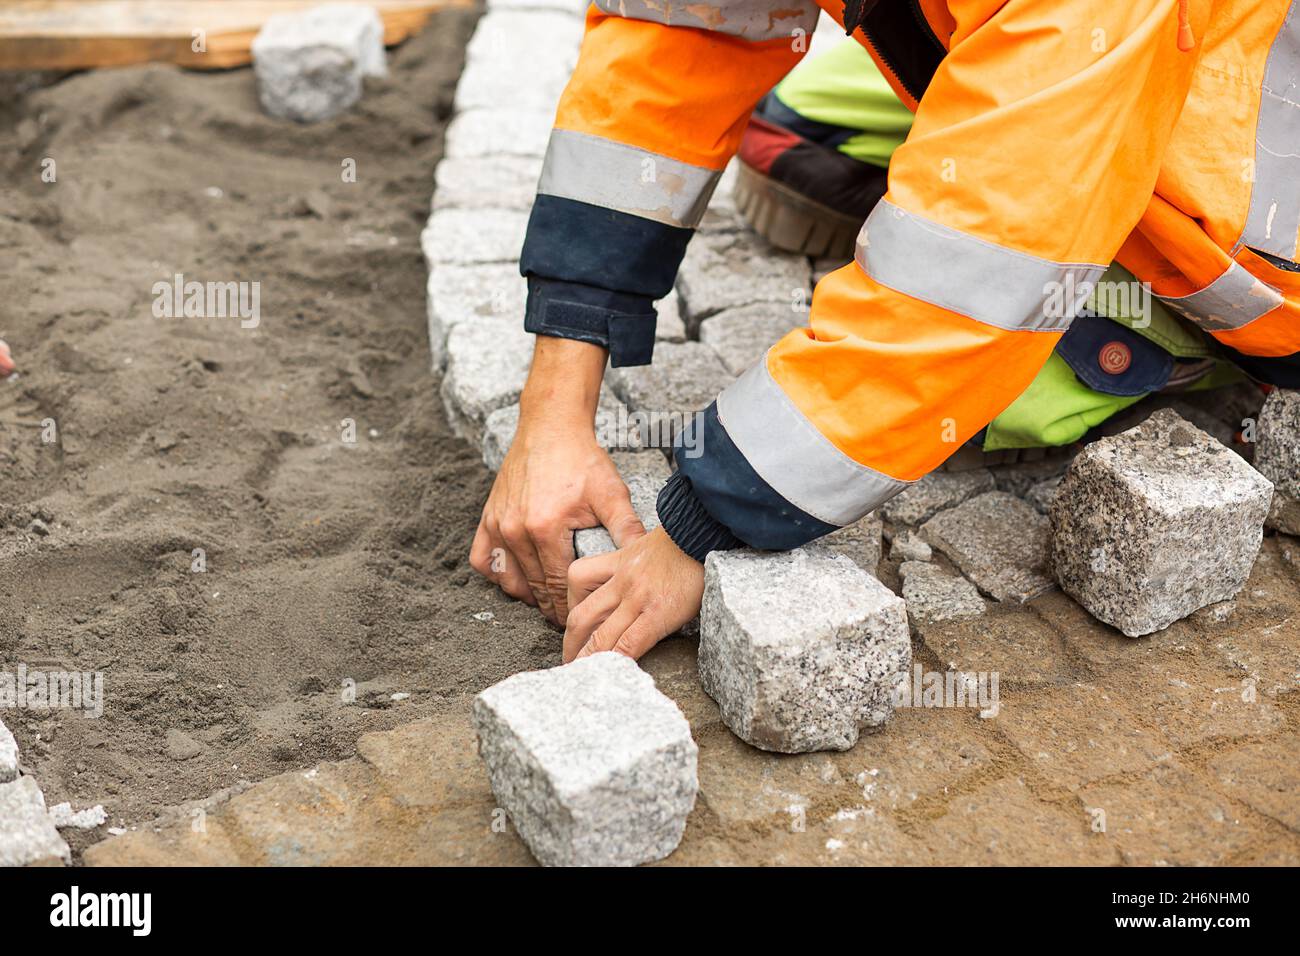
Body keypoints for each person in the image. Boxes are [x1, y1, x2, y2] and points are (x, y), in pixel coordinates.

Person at [470, 0, 1300, 663]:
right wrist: (554, 401)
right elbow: (675, 30)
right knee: (799, 131)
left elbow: (972, 287)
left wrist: (699, 528)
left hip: (1257, 220)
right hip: (1080, 48)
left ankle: (1157, 326)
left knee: (999, 351)